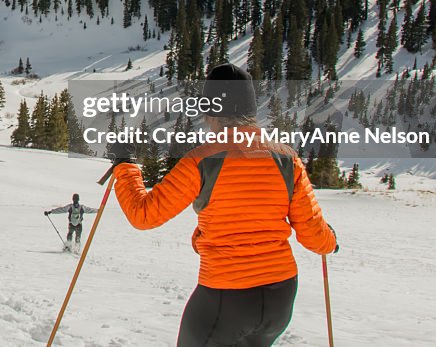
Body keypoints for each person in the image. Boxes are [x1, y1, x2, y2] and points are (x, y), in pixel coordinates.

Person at [109, 64, 338, 347]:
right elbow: (313, 232)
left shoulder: (204, 160)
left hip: (225, 296)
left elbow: (143, 215)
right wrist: (330, 241)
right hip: (280, 297)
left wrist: (125, 166)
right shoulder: (287, 159)